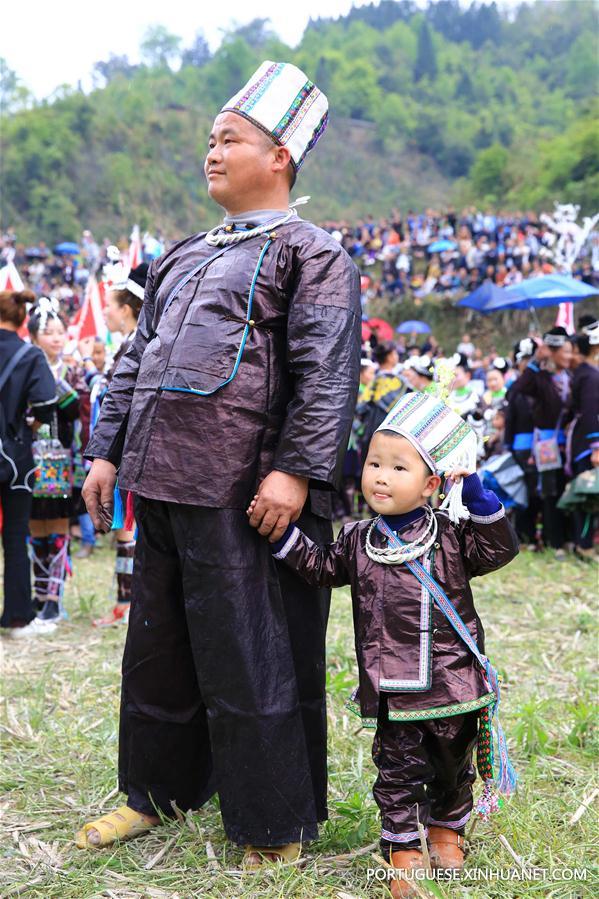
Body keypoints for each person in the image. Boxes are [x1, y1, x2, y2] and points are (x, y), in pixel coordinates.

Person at [78, 60, 361, 864]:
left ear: (279, 156)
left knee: (256, 655)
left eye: (228, 138)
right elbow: (135, 357)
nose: (210, 151)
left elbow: (326, 370)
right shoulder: (183, 253)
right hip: (161, 480)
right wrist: (106, 450)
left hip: (246, 490)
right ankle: (154, 794)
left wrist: (295, 470)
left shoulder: (314, 253)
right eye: (208, 138)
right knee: (158, 648)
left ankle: (273, 826)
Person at [255, 391, 518, 897]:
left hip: (454, 681)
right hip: (393, 688)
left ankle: (446, 827)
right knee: (396, 769)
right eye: (374, 462)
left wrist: (478, 493)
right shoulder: (358, 538)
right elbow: (323, 567)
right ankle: (402, 851)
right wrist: (283, 537)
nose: (380, 475)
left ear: (432, 484)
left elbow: (498, 549)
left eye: (399, 467)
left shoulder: (449, 535)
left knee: (452, 761)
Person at [79, 263, 148, 623]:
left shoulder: (137, 345)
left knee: (127, 531)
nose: (104, 311)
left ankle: (128, 605)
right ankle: (128, 604)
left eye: (109, 304)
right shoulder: (132, 344)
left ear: (126, 308)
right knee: (125, 529)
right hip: (123, 451)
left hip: (127, 452)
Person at [0, 290, 57, 638]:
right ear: (24, 320)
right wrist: (28, 426)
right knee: (15, 535)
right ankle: (18, 618)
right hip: (15, 457)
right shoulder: (30, 355)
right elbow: (46, 406)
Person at [28, 298, 83, 622]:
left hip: (61, 458)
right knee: (36, 527)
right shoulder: (25, 367)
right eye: (49, 332)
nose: (56, 338)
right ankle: (38, 593)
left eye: (60, 332)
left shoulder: (70, 370)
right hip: (31, 458)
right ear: (34, 337)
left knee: (59, 524)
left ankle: (54, 597)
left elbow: (74, 408)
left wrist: (47, 381)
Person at [518, 327, 572, 559]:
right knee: (550, 493)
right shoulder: (541, 378)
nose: (568, 356)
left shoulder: (572, 377)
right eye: (564, 351)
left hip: (570, 443)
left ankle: (569, 538)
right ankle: (554, 542)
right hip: (548, 445)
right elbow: (521, 388)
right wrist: (536, 360)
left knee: (567, 489)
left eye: (570, 351)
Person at [566, 317, 599, 559]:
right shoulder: (589, 376)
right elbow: (590, 413)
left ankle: (582, 541)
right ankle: (584, 545)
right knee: (588, 495)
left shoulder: (584, 374)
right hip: (587, 444)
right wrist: (596, 446)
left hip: (581, 441)